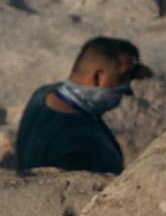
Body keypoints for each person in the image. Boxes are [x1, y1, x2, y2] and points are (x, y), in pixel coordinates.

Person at [13, 36, 153, 175]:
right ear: (98, 77)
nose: (126, 87)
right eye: (123, 77)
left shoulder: (44, 93)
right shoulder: (81, 144)